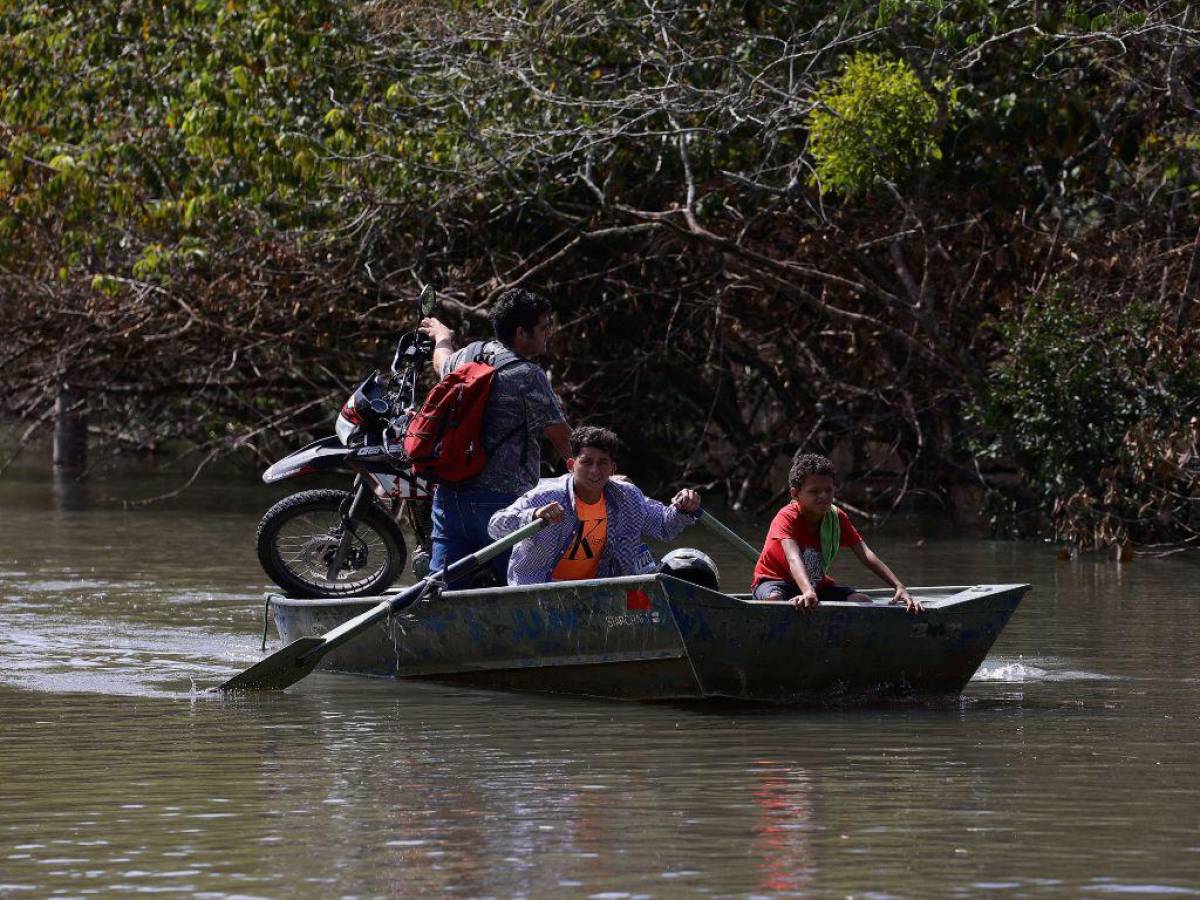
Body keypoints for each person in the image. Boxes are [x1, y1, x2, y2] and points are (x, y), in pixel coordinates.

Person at [419, 288, 572, 584]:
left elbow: (441, 364)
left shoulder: (468, 356)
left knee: (443, 591)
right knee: (517, 589)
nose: (547, 334)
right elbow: (563, 439)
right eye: (542, 328)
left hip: (450, 499)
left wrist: (443, 337)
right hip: (503, 506)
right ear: (520, 333)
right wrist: (600, 475)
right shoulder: (528, 375)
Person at [487, 425, 702, 585]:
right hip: (540, 595)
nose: (594, 471)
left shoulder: (628, 498)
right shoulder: (545, 496)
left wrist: (684, 506)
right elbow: (495, 527)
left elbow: (664, 526)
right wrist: (532, 515)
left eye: (602, 463)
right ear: (571, 465)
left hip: (597, 595)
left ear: (612, 468)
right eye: (586, 462)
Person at [751, 452, 922, 613]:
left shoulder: (836, 517)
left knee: (862, 600)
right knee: (774, 599)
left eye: (828, 490)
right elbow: (793, 557)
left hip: (815, 584)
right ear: (796, 494)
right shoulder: (786, 517)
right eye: (814, 491)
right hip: (774, 581)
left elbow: (866, 554)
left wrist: (899, 586)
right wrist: (808, 591)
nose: (823, 496)